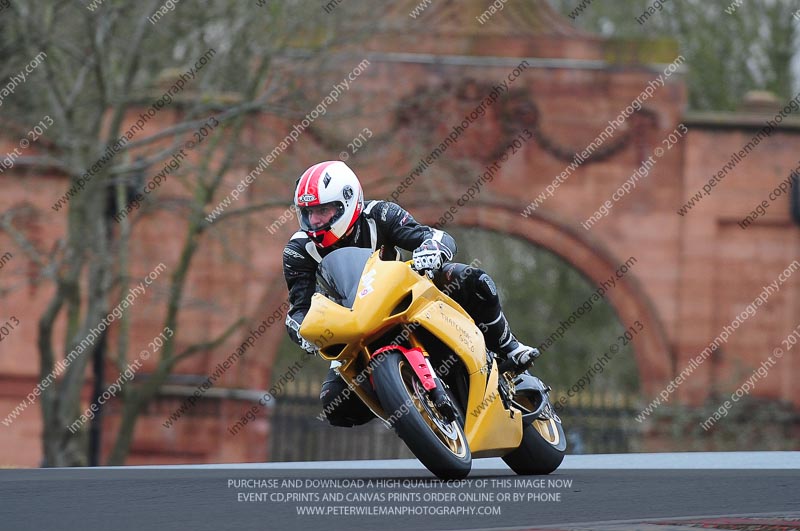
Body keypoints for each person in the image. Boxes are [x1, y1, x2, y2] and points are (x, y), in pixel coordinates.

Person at [282, 160, 539, 427]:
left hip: (407, 294)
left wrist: (431, 249)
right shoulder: (298, 250)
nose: (314, 221)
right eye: (307, 212)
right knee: (336, 404)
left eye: (323, 210)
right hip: (352, 322)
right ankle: (407, 403)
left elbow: (435, 237)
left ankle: (508, 347)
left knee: (472, 279)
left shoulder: (381, 214)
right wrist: (303, 331)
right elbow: (299, 309)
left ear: (347, 202)